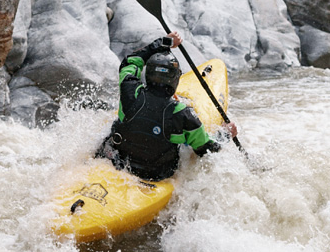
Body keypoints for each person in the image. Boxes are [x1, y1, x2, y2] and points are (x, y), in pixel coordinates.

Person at [98, 31, 236, 181]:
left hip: (115, 162)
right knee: (182, 143)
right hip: (154, 175)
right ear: (175, 79)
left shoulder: (130, 90)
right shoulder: (184, 114)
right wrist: (226, 134)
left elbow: (129, 62)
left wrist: (163, 42)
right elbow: (206, 149)